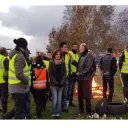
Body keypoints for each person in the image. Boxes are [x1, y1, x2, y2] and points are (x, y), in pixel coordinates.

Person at [2, 38, 31, 119]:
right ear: (24, 46)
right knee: (19, 112)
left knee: (19, 107)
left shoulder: (14, 55)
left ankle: (5, 117)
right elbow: (19, 74)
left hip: (16, 86)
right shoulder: (20, 56)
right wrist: (27, 80)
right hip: (19, 87)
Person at [76, 43, 95, 119]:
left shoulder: (89, 56)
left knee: (87, 96)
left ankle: (88, 112)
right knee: (80, 95)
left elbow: (88, 68)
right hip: (80, 79)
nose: (79, 49)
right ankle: (81, 110)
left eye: (80, 48)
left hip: (86, 79)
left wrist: (80, 74)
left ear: (84, 48)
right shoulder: (82, 56)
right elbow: (79, 66)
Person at [49, 49, 66, 119]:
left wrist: (61, 82)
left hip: (61, 84)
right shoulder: (51, 62)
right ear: (54, 55)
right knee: (55, 99)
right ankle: (53, 113)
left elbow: (65, 73)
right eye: (57, 54)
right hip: (53, 84)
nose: (58, 55)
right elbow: (50, 73)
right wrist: (56, 82)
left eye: (59, 54)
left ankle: (58, 114)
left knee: (59, 100)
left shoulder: (63, 62)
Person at [31, 54, 48, 119]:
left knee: (37, 101)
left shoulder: (34, 65)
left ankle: (38, 115)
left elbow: (32, 75)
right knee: (41, 99)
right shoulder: (44, 65)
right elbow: (46, 75)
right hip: (43, 85)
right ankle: (42, 109)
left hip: (36, 86)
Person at [60, 42, 71, 112]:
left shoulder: (67, 55)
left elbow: (70, 63)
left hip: (66, 77)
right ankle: (59, 107)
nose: (66, 48)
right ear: (61, 48)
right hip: (60, 78)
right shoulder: (58, 55)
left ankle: (64, 107)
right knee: (59, 94)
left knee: (65, 93)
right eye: (65, 47)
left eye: (66, 47)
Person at [0, 47, 9, 117]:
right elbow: (7, 72)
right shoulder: (5, 59)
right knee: (4, 98)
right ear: (4, 52)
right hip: (3, 81)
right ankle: (4, 113)